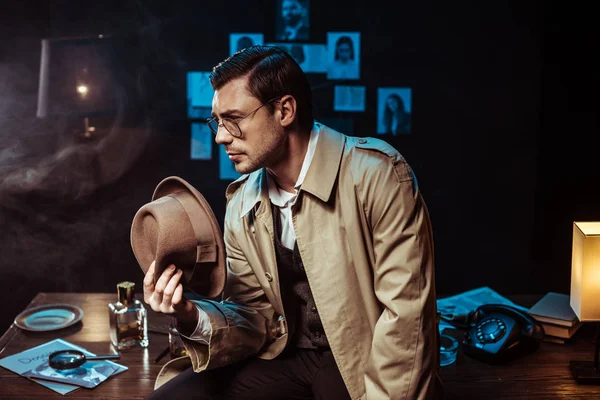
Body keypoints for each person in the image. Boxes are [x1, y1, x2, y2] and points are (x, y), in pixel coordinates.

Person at [144, 46, 442, 399]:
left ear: (284, 110)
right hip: (283, 357)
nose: (221, 136)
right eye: (217, 121)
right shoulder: (241, 201)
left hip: (360, 361)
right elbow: (252, 317)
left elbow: (407, 321)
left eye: (234, 119)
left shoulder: (378, 176)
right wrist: (190, 313)